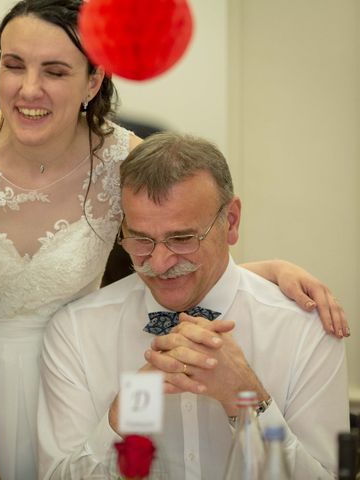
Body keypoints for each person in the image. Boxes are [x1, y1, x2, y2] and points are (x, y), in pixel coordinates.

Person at [0, 1, 348, 478]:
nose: (29, 89)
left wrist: (265, 273)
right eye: (13, 64)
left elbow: (179, 240)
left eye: (54, 70)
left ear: (93, 80)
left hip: (68, 377)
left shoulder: (122, 161)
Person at [37, 132, 349, 479]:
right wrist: (118, 421)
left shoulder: (305, 328)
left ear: (230, 222)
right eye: (141, 239)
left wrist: (249, 401)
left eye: (182, 239)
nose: (159, 262)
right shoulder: (76, 331)